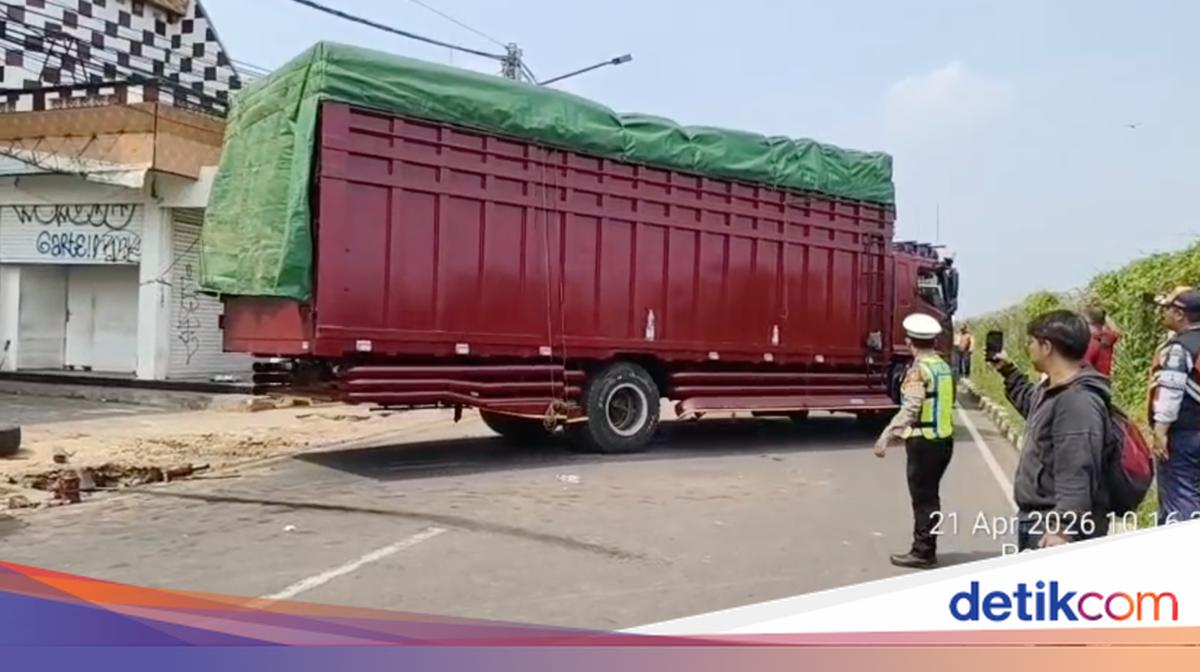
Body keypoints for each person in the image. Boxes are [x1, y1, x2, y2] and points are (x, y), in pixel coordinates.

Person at [992, 310, 1111, 551]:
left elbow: (1077, 468)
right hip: (1038, 519)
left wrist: (1063, 528)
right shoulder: (1053, 388)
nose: (1029, 347)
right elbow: (1032, 406)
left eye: (1031, 342)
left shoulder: (1077, 401)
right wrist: (1008, 371)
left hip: (1052, 526)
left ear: (1046, 346)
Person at [874, 313, 956, 569]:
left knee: (923, 500)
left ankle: (923, 552)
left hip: (924, 443)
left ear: (910, 342)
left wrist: (886, 436)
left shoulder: (918, 371)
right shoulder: (942, 366)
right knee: (931, 497)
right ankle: (926, 547)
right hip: (944, 440)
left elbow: (910, 408)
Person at [1147, 287, 1200, 525]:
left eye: (1168, 309)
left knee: (1180, 496)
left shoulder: (1179, 348)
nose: (1164, 313)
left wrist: (1160, 431)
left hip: (1184, 435)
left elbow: (1171, 389)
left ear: (1180, 314)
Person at [1083, 306, 1120, 377]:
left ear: (1090, 323)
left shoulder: (1093, 342)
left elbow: (1084, 364)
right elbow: (1116, 331)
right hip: (1104, 380)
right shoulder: (1108, 337)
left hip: (1091, 381)